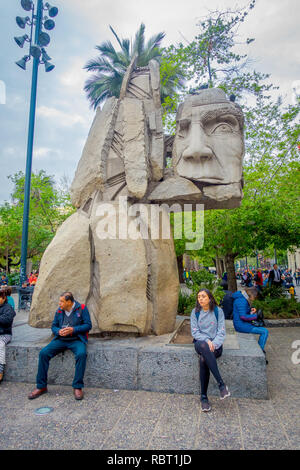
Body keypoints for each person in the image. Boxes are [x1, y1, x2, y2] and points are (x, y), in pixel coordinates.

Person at [28, 292, 92, 401]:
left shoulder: (82, 308)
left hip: (76, 339)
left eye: (62, 301)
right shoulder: (59, 311)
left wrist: (73, 329)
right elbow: (54, 326)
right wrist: (58, 331)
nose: (59, 303)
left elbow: (88, 325)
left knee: (82, 354)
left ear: (69, 302)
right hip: (61, 339)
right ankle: (41, 386)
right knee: (43, 353)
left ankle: (77, 387)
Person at [190, 288, 230, 413]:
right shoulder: (195, 312)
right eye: (199, 297)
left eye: (203, 296)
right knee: (203, 347)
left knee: (203, 359)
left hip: (216, 346)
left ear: (210, 298)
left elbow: (221, 332)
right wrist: (207, 341)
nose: (200, 299)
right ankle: (221, 384)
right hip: (200, 344)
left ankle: (203, 398)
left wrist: (214, 343)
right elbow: (195, 332)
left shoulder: (218, 312)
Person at [232, 287, 269, 363]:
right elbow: (243, 317)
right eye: (254, 297)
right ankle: (260, 352)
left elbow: (243, 312)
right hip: (241, 326)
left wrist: (251, 311)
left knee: (263, 330)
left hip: (242, 324)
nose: (254, 299)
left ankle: (259, 351)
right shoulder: (242, 301)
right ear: (251, 295)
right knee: (264, 331)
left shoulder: (242, 298)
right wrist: (256, 316)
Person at [0, 289, 16, 382]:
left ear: (3, 298)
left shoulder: (8, 308)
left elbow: (7, 320)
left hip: (5, 334)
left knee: (0, 345)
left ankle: (0, 371)